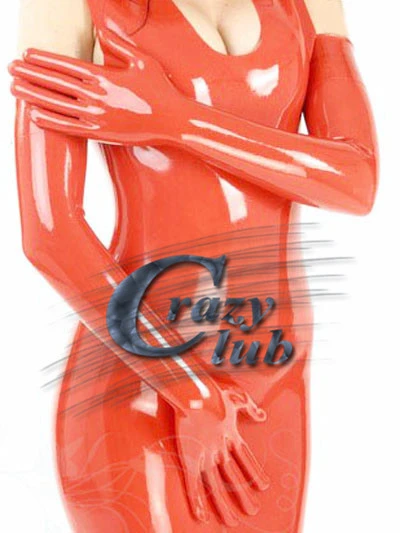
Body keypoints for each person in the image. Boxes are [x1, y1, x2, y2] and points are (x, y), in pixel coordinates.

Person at [9, 0, 378, 530]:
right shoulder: (70, 7)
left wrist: (175, 120)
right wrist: (192, 391)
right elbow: (50, 234)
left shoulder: (312, 5)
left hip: (272, 382)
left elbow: (356, 179)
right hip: (141, 381)